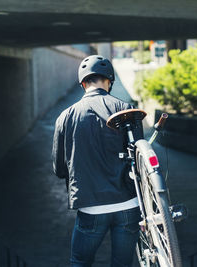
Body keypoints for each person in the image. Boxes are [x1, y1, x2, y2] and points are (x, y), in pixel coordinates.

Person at [52, 55, 141, 267]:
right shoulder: (126, 109)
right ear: (109, 81)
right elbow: (139, 158)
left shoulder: (66, 116)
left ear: (83, 83)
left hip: (91, 208)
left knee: (80, 262)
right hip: (128, 205)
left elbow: (59, 169)